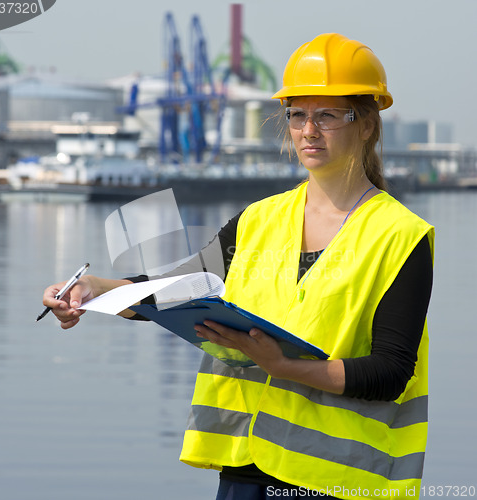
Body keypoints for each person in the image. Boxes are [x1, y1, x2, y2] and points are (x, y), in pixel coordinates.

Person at [43, 33, 434, 500]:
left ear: (366, 124)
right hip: (245, 470)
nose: (309, 130)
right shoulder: (258, 220)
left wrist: (285, 367)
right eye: (298, 115)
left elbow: (390, 373)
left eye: (328, 114)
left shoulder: (400, 235)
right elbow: (178, 289)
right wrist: (93, 290)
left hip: (340, 482)